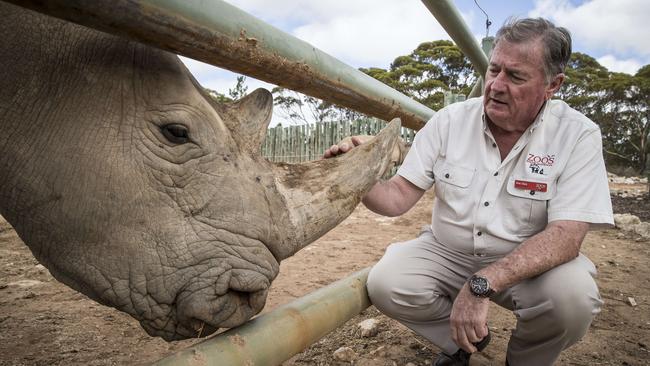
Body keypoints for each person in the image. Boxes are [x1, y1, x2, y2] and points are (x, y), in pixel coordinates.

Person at [324, 18, 613, 366]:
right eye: (494, 70)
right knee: (387, 282)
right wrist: (360, 173)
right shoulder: (448, 121)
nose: (496, 85)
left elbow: (566, 237)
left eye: (515, 76)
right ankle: (465, 348)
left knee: (573, 298)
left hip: (526, 264)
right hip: (449, 251)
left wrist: (483, 283)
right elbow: (396, 197)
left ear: (553, 85)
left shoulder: (578, 135)